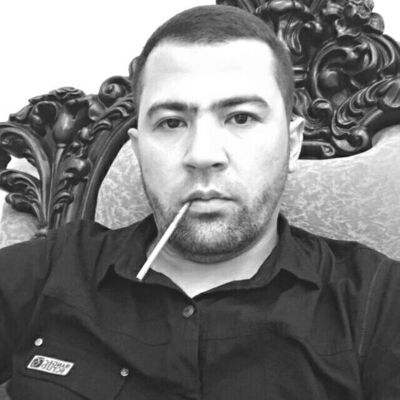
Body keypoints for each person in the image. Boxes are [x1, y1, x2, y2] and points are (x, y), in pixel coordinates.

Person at [0, 5, 399, 399]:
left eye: (241, 117)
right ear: (138, 150)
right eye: (172, 122)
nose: (203, 155)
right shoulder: (51, 269)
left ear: (292, 144)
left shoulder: (378, 302)